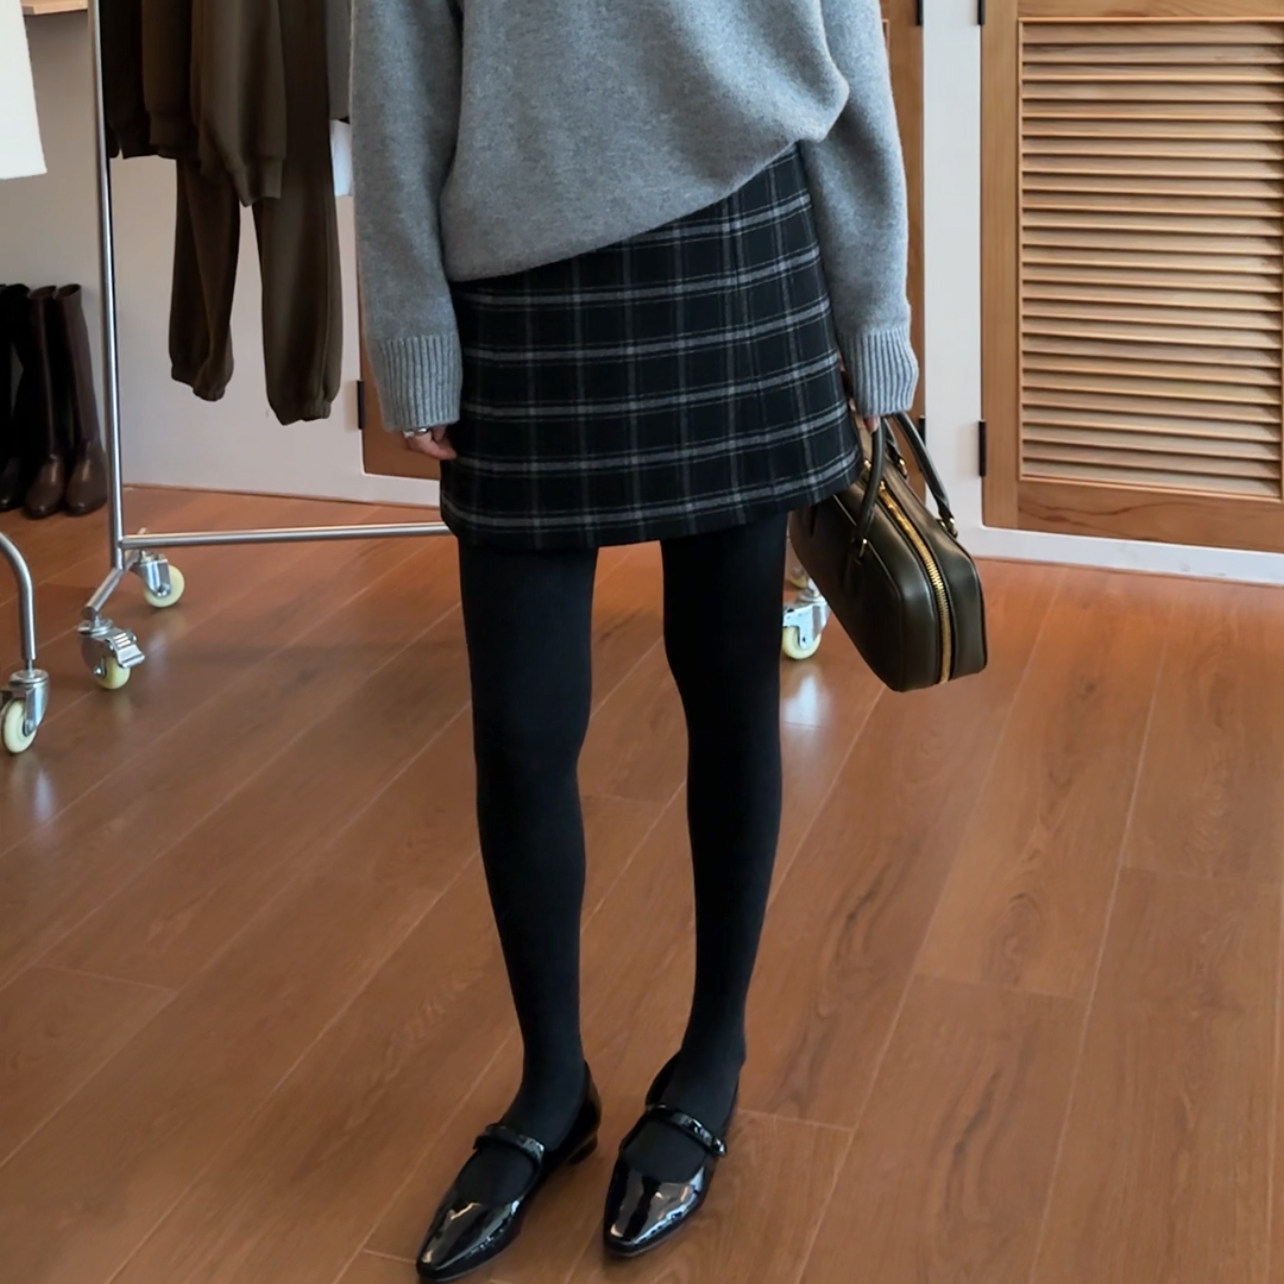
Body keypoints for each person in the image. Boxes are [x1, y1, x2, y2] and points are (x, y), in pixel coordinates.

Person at [351, 0, 917, 1277]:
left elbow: (845, 42)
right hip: (516, 279)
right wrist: (411, 323)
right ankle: (552, 1087)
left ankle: (711, 1057)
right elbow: (398, 63)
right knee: (520, 729)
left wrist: (871, 308)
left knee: (728, 690)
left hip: (745, 245)